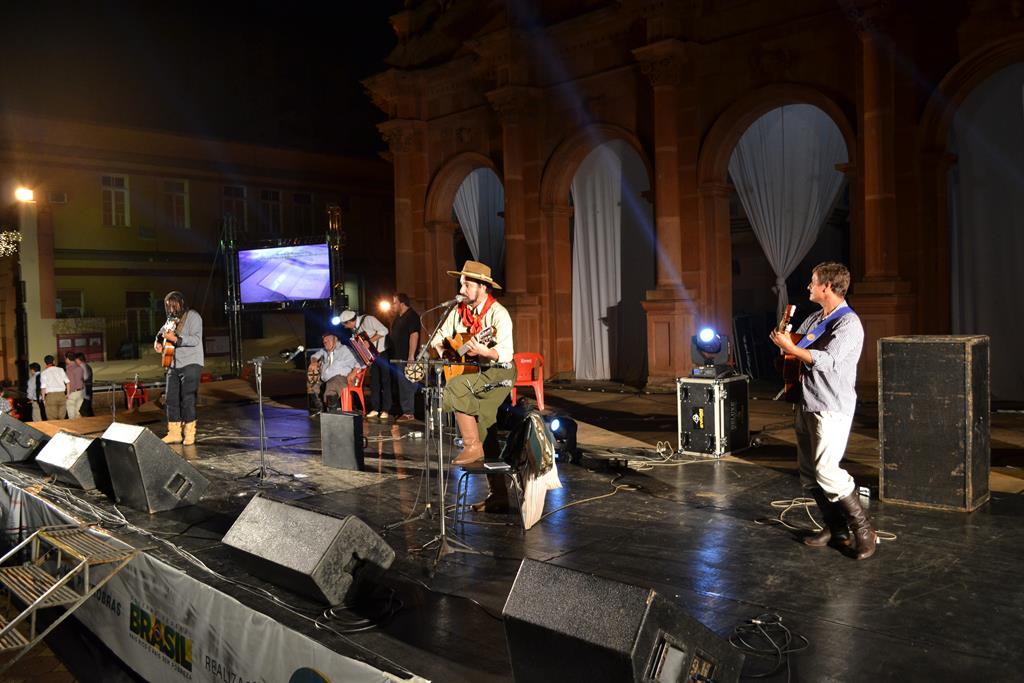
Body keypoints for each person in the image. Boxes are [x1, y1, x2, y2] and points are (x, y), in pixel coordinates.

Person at [769, 261, 877, 560]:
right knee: (809, 473)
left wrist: (792, 349)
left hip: (831, 405)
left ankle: (864, 530)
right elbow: (797, 348)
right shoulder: (816, 318)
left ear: (827, 287)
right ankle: (836, 528)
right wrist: (785, 344)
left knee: (827, 470)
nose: (808, 286)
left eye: (813, 282)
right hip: (807, 401)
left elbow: (828, 361)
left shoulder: (848, 323)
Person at [429, 260, 516, 512]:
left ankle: (471, 446)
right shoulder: (458, 311)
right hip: (474, 372)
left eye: (467, 284)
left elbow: (506, 353)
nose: (461, 289)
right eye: (461, 284)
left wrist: (484, 351)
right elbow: (437, 337)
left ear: (482, 287)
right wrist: (444, 350)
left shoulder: (498, 314)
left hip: (499, 372)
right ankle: (498, 495)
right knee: (486, 427)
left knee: (455, 387)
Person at [154, 291, 204, 446]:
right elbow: (161, 334)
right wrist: (157, 342)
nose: (171, 309)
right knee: (170, 399)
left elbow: (196, 339)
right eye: (168, 306)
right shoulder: (170, 320)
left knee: (187, 398)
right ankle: (174, 433)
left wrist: (176, 339)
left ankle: (189, 433)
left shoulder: (193, 316)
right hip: (173, 364)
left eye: (174, 305)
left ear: (181, 303)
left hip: (191, 363)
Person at [339, 308, 392, 419]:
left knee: (385, 381)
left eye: (345, 325)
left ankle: (386, 409)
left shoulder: (368, 319)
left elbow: (384, 330)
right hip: (371, 356)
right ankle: (375, 408)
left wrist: (369, 341)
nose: (345, 327)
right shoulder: (355, 329)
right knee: (374, 382)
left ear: (350, 321)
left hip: (382, 353)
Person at [308, 332, 363, 412]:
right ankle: (321, 410)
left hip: (343, 378)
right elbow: (314, 356)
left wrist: (354, 372)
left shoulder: (345, 349)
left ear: (335, 339)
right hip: (326, 379)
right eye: (324, 342)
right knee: (312, 384)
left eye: (328, 340)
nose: (326, 342)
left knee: (332, 385)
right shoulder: (324, 350)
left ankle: (332, 412)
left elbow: (360, 361)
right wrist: (314, 362)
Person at [391, 293, 421, 422]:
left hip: (406, 357)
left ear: (402, 304)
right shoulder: (398, 317)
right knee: (402, 385)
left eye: (394, 303)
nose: (393, 305)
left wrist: (411, 356)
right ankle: (406, 411)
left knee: (407, 385)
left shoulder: (412, 316)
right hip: (399, 356)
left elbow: (414, 335)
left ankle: (409, 413)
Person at [39, 355, 69, 421]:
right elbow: (67, 382)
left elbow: (43, 387)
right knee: (62, 418)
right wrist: (68, 394)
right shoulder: (60, 370)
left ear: (45, 363)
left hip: (51, 396)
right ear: (54, 361)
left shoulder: (44, 373)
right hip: (61, 395)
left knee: (52, 419)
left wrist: (43, 399)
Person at [65, 352, 85, 419]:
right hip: (81, 392)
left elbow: (70, 382)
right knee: (77, 412)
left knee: (71, 414)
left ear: (68, 359)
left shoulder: (68, 368)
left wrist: (68, 393)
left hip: (73, 393)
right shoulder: (80, 367)